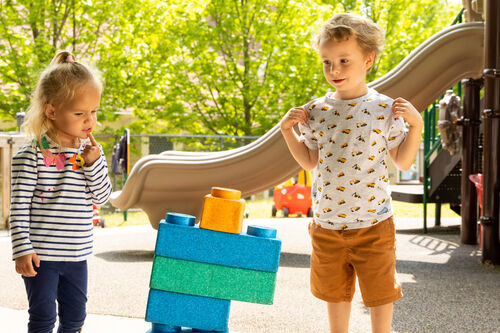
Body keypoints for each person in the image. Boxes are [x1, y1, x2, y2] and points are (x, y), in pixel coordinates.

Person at [280, 13, 423, 333]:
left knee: (380, 294)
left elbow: (402, 161)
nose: (334, 70)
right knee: (335, 294)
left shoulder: (384, 109)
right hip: (327, 223)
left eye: (344, 60)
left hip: (373, 223)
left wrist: (417, 125)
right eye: (327, 62)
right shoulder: (315, 112)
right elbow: (309, 161)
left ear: (368, 59)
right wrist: (288, 131)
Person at [9, 50, 112, 333]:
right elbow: (17, 208)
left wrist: (93, 164)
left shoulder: (91, 153)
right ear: (52, 111)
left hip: (77, 255)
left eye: (93, 112)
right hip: (41, 256)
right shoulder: (30, 155)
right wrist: (22, 249)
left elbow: (102, 197)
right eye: (80, 113)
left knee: (75, 319)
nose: (89, 120)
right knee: (43, 319)